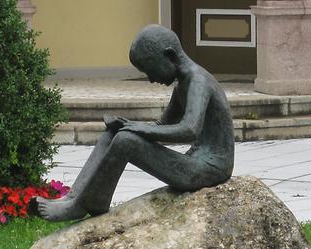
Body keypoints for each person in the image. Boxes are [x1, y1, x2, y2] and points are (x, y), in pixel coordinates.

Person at [31, 25, 234, 222]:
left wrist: (136, 129)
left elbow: (189, 129)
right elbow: (162, 126)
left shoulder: (198, 80)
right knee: (114, 134)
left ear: (170, 55)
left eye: (151, 70)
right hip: (196, 162)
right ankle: (73, 198)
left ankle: (83, 205)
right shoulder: (182, 86)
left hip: (209, 171)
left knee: (126, 141)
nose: (151, 80)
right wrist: (128, 123)